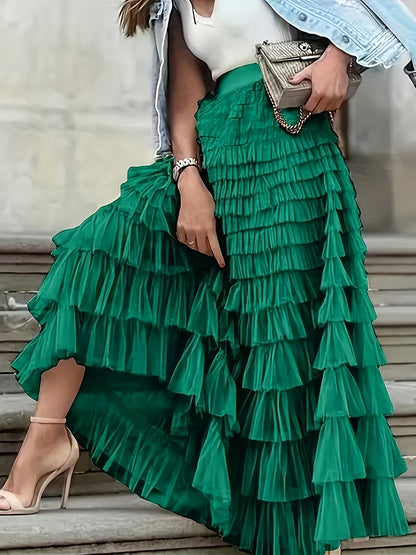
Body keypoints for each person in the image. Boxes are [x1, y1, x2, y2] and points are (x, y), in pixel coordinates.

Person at [1, 1, 415, 554]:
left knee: (282, 331)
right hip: (212, 151)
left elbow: (384, 13)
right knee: (99, 251)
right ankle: (47, 436)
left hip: (288, 147)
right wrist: (189, 181)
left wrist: (340, 54)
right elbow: (184, 98)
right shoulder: (170, 8)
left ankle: (304, 524)